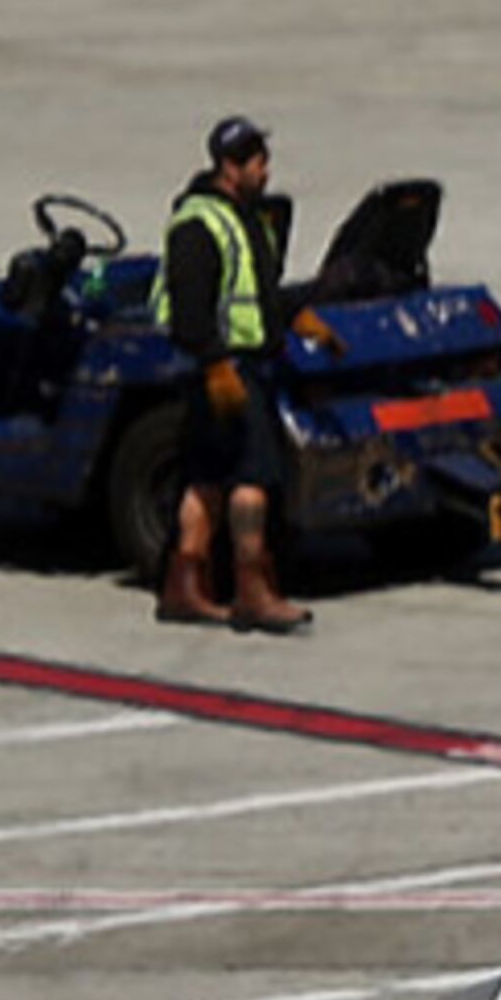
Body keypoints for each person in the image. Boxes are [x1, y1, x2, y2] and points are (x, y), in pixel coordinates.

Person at [146, 116, 313, 634]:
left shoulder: (246, 217)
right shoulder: (199, 224)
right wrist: (217, 364)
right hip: (226, 370)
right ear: (230, 166)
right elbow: (192, 311)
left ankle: (184, 587)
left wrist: (292, 314)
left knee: (206, 480)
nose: (266, 171)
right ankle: (253, 590)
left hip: (235, 364)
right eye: (258, 162)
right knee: (252, 479)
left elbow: (254, 292)